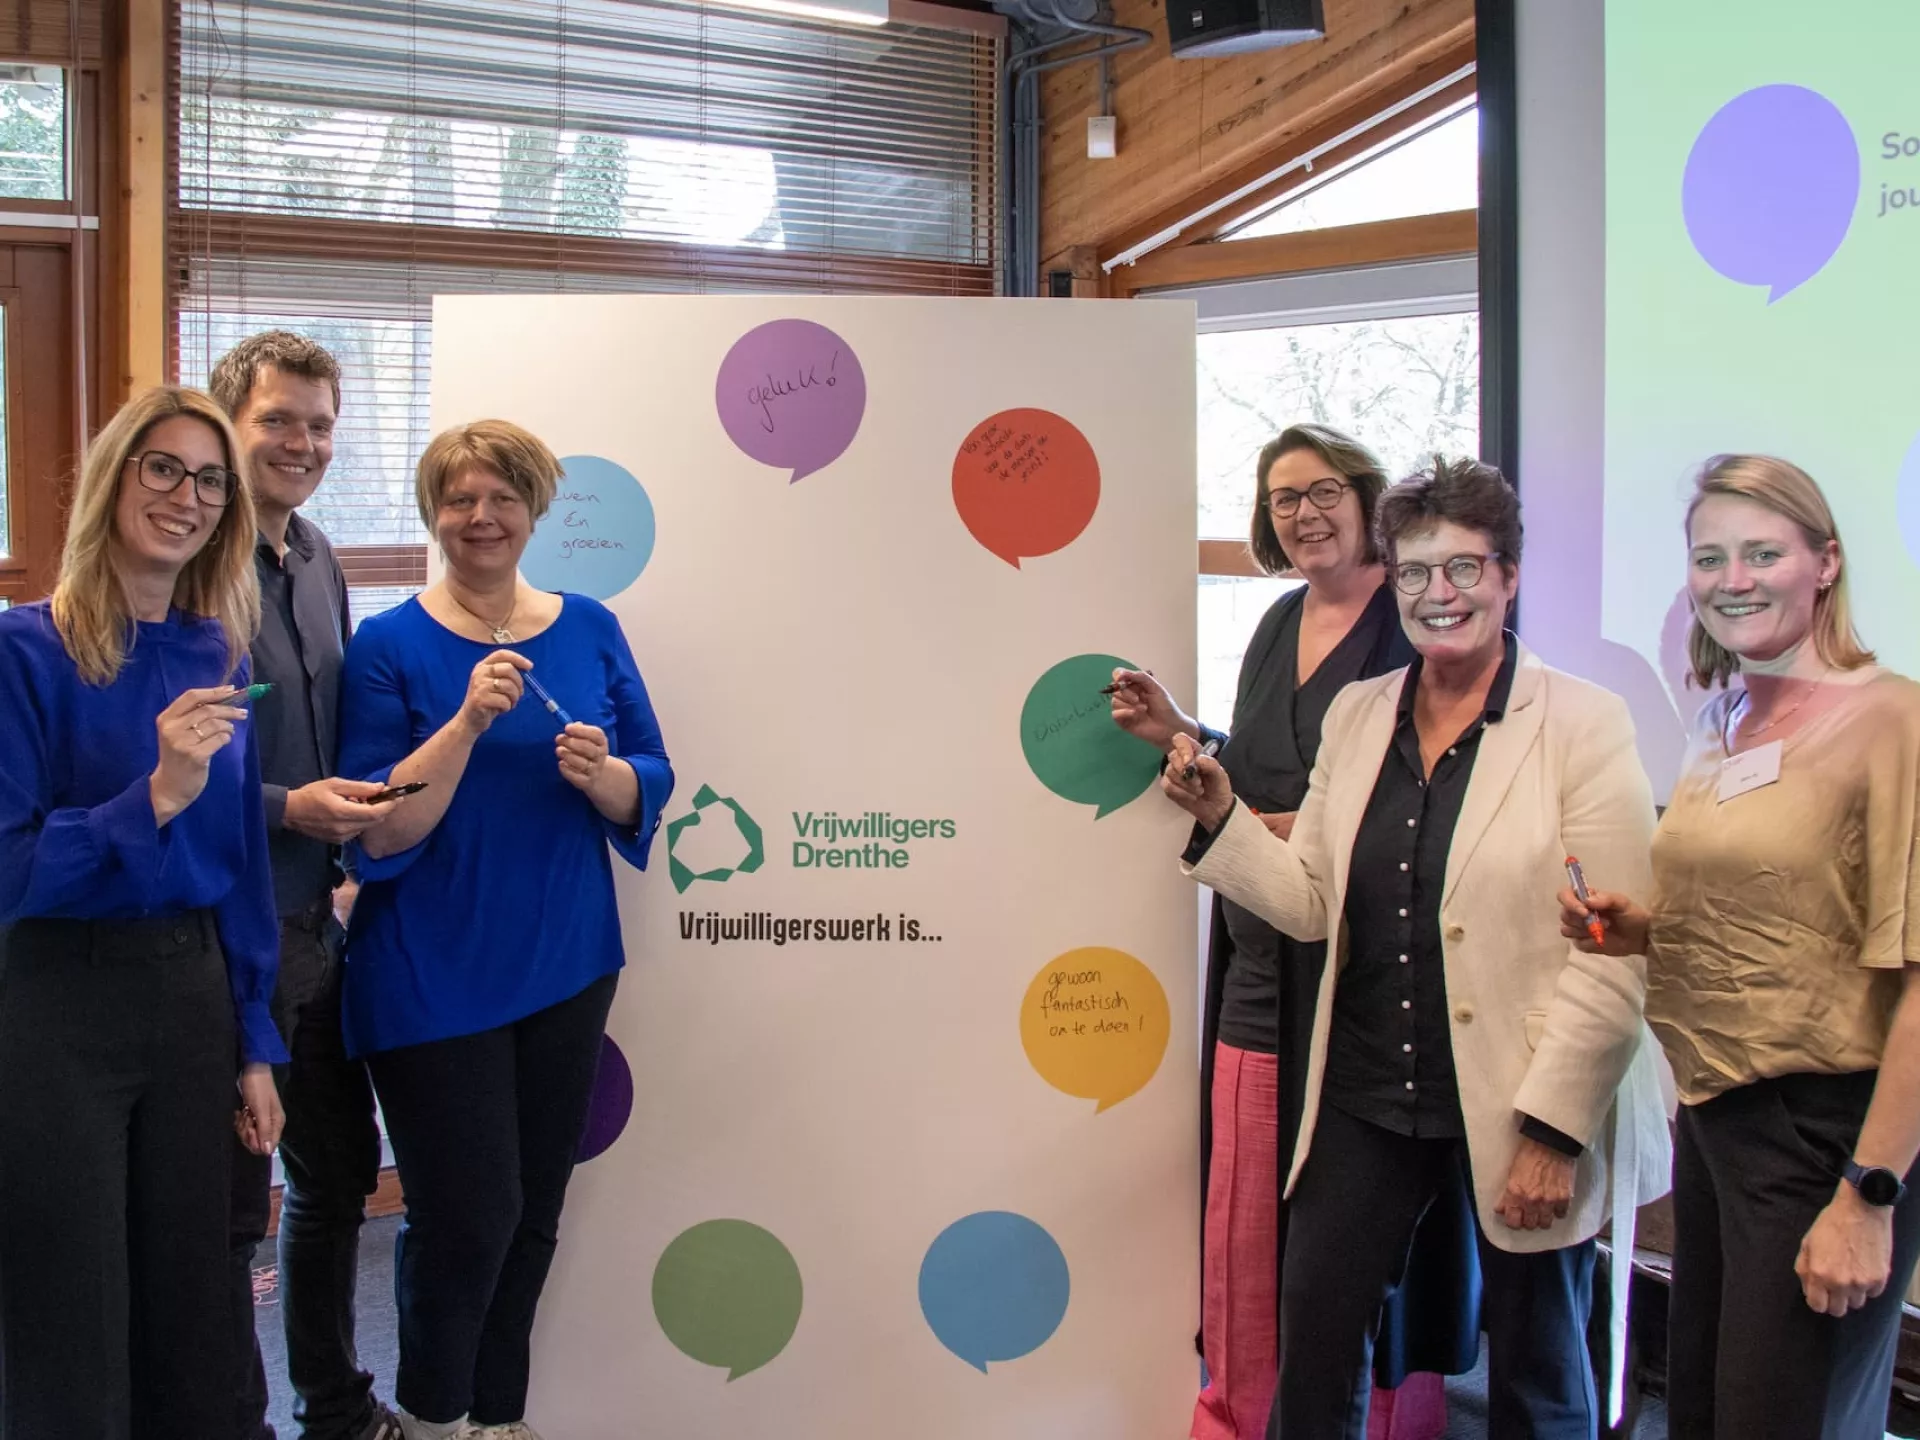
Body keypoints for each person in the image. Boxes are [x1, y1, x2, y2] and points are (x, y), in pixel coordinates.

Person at [1163, 456, 1670, 1440]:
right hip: (1361, 1091)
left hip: (1523, 1098)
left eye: (1465, 570)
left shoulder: (1581, 725)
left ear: (1509, 575)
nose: (1440, 596)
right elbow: (1310, 901)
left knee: (1537, 1376)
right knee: (1315, 1352)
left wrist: (1556, 1134)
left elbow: (1613, 946)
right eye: (1416, 575)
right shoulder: (1360, 717)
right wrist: (1222, 820)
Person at [1108, 424, 1468, 1440]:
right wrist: (1178, 730)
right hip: (1259, 959)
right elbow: (1258, 770)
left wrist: (1268, 824)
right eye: (1280, 501)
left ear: (1366, 501)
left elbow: (1424, 800)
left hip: (1366, 981)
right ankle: (1245, 1410)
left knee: (1344, 1243)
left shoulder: (1413, 630)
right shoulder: (1275, 622)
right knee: (1246, 1219)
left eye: (1320, 494)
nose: (1302, 516)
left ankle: (1385, 1417)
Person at [1560, 454, 1920, 1440]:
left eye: (1764, 552)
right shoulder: (1726, 718)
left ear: (1827, 563)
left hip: (1829, 1135)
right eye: (1710, 557)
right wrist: (1645, 929)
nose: (1734, 579)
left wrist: (1870, 1195)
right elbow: (1789, 911)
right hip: (1716, 1120)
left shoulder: (1894, 719)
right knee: (1713, 1416)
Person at [338, 419, 674, 1440]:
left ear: (534, 509)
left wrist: (608, 777)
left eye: (502, 498)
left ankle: (499, 1419)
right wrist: (468, 724)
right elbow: (377, 828)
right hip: (428, 972)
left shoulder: (590, 624)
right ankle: (433, 1418)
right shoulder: (388, 644)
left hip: (568, 960)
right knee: (464, 1218)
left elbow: (652, 773)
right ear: (433, 513)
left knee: (530, 1211)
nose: (480, 518)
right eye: (458, 499)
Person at [0, 385, 288, 1436]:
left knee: (196, 1301)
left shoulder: (219, 655)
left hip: (189, 998)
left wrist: (253, 1044)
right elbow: (11, 873)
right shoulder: (23, 652)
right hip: (54, 1003)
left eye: (211, 479)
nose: (189, 495)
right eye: (162, 467)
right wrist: (154, 795)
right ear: (115, 480)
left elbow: (243, 868)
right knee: (68, 1307)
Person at [210, 331, 407, 1440]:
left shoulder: (321, 557)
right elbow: (167, 774)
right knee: (232, 1212)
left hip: (318, 928)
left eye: (322, 424)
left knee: (333, 1177)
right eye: (280, 420)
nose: (304, 443)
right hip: (223, 938)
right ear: (230, 422)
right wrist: (291, 809)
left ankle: (333, 1401)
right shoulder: (194, 567)